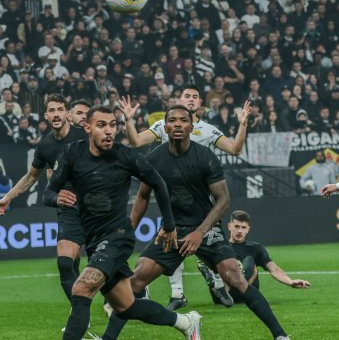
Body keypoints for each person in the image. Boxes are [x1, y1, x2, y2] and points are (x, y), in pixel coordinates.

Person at [100, 105, 290, 340]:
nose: (177, 124)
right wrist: (128, 231)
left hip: (206, 228)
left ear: (191, 126)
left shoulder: (205, 156)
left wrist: (200, 232)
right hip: (173, 231)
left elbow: (223, 200)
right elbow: (142, 196)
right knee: (136, 281)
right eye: (172, 120)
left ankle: (280, 336)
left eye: (183, 121)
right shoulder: (154, 158)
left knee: (235, 277)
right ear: (165, 126)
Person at [43, 105, 202, 340]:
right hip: (94, 240)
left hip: (118, 236)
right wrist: (56, 198)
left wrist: (169, 226)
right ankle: (186, 322)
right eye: (101, 125)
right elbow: (48, 193)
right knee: (127, 306)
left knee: (81, 287)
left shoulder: (125, 156)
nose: (109, 131)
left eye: (112, 125)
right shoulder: (71, 153)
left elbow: (158, 183)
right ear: (87, 128)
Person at [120, 84, 251, 309]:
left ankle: (217, 284)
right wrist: (129, 121)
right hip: (172, 196)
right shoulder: (164, 124)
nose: (190, 99)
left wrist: (243, 124)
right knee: (173, 244)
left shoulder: (208, 130)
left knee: (214, 254)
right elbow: (136, 142)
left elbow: (235, 149)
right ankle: (178, 293)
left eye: (195, 97)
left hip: (200, 198)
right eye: (186, 96)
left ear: (200, 104)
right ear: (178, 100)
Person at [0, 94, 87, 310]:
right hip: (68, 208)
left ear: (67, 113)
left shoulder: (83, 136)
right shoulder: (45, 145)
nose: (56, 114)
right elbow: (31, 176)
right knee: (66, 264)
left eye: (60, 109)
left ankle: (129, 295)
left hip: (94, 207)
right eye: (51, 110)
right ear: (46, 115)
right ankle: (80, 313)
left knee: (108, 265)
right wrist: (8, 197)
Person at [198, 210, 311, 304]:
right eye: (236, 226)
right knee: (218, 260)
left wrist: (290, 282)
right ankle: (220, 285)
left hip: (242, 293)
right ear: (229, 226)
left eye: (243, 227)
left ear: (248, 229)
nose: (239, 231)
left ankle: (222, 279)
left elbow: (274, 269)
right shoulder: (220, 246)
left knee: (249, 261)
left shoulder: (255, 248)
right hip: (225, 296)